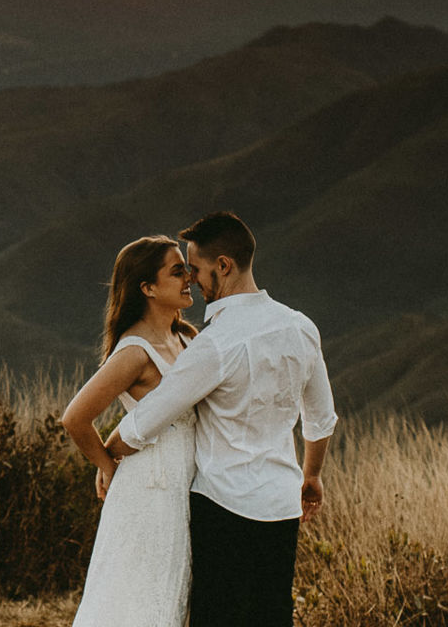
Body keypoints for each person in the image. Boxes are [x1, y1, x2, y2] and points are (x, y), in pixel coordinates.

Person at [106, 211, 336, 627]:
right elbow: (320, 419)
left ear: (224, 266)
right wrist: (311, 475)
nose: (192, 280)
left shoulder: (214, 344)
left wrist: (109, 455)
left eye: (195, 269)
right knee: (271, 616)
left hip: (223, 506)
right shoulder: (301, 327)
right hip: (281, 504)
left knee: (218, 616)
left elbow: (147, 420)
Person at [59, 235, 199, 627]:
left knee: (169, 592)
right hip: (148, 488)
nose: (188, 277)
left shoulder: (186, 337)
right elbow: (75, 417)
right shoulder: (135, 351)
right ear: (148, 287)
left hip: (183, 484)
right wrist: (108, 466)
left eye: (186, 269)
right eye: (177, 272)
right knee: (136, 594)